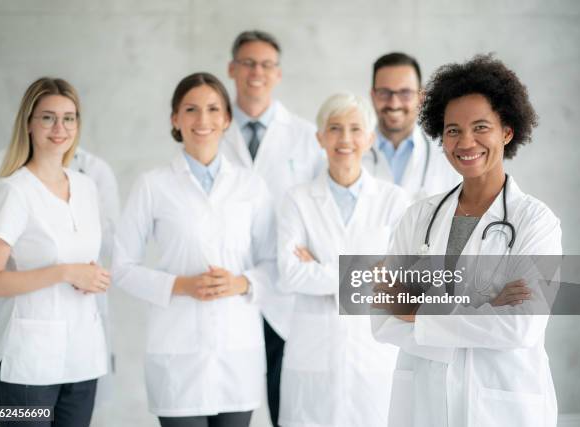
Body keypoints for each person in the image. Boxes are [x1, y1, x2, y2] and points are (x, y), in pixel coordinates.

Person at [371, 54, 561, 427]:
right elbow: (380, 316)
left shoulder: (536, 221)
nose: (465, 141)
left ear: (507, 131)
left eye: (480, 127)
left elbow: (521, 326)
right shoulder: (419, 217)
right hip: (423, 403)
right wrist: (485, 302)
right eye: (453, 129)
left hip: (502, 405)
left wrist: (419, 310)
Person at [112, 72, 275, 427]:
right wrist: (180, 286)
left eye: (213, 109)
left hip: (237, 351)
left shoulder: (251, 187)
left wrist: (242, 283)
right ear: (175, 119)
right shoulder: (153, 185)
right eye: (191, 109)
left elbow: (272, 263)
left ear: (227, 119)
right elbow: (122, 266)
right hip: (177, 352)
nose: (203, 120)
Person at [0, 77, 110, 427]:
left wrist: (91, 276)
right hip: (27, 366)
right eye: (48, 117)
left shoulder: (86, 187)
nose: (60, 128)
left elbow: (81, 255)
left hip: (83, 359)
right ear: (29, 124)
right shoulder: (13, 191)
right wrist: (66, 272)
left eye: (69, 118)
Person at [277, 93, 409, 426]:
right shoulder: (297, 200)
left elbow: (399, 282)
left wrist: (320, 270)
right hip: (313, 353)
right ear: (320, 137)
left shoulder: (393, 201)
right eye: (334, 128)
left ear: (369, 138)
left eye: (355, 128)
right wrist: (366, 270)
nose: (345, 139)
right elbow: (290, 275)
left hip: (372, 355)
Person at [221, 30, 324, 427]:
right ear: (232, 68)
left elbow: (319, 202)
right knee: (231, 411)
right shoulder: (212, 129)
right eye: (248, 62)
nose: (256, 72)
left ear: (278, 74)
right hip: (232, 288)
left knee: (289, 413)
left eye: (266, 64)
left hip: (286, 295)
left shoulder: (304, 136)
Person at [364, 52, 460, 201]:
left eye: (405, 93)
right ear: (373, 96)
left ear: (421, 97)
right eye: (384, 93)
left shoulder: (447, 156)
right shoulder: (352, 152)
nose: (394, 103)